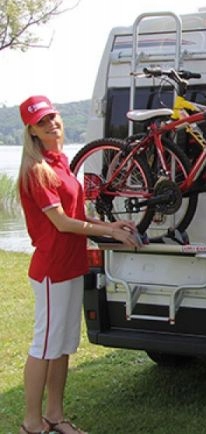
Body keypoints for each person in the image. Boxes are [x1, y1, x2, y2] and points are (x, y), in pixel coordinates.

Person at [17, 96, 140, 434]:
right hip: (51, 270)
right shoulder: (37, 170)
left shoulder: (60, 163)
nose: (51, 124)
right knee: (44, 346)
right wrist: (108, 232)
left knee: (63, 347)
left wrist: (110, 226)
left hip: (72, 265)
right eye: (41, 122)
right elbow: (62, 223)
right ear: (32, 131)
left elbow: (76, 216)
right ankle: (31, 422)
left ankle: (55, 416)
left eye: (52, 117)